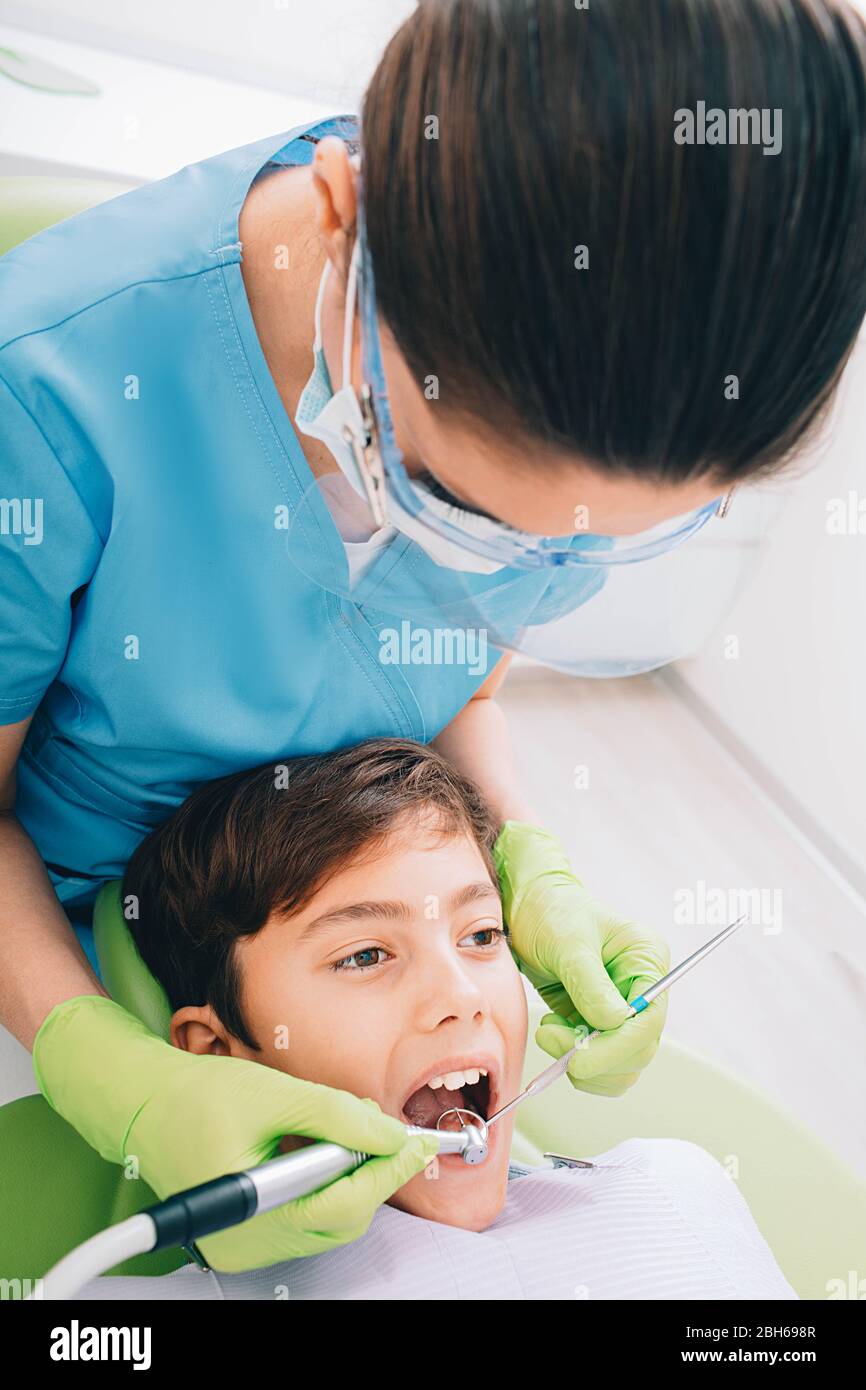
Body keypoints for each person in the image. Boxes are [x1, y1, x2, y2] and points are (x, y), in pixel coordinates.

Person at [3, 0, 866, 1272]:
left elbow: (443, 673)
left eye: (584, 541)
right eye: (457, 506)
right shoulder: (51, 385)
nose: (522, 568)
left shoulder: (614, 401)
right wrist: (99, 1060)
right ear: (345, 214)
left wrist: (518, 864)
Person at [72, 737, 796, 1299]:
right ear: (218, 1053)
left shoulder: (672, 1186)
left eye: (482, 936)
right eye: (364, 956)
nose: (463, 995)